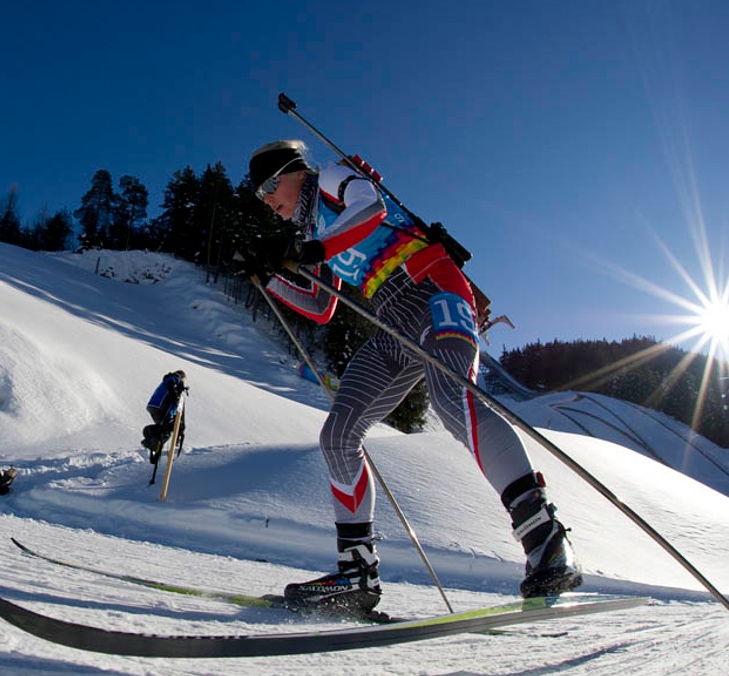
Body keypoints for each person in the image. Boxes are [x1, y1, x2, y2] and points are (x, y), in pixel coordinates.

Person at [238, 140, 582, 615]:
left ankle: (545, 540)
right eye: (261, 197)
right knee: (338, 435)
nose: (268, 202)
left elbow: (373, 208)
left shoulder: (333, 180)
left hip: (433, 289)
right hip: (391, 320)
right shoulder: (313, 229)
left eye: (269, 188)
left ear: (295, 172)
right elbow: (321, 308)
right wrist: (270, 276)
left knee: (452, 399)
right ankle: (357, 575)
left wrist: (306, 248)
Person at [140, 370, 187, 462]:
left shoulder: (166, 380)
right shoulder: (175, 378)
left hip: (153, 406)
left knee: (162, 428)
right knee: (166, 431)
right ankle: (151, 442)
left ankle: (152, 443)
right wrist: (175, 395)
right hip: (161, 406)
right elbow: (171, 386)